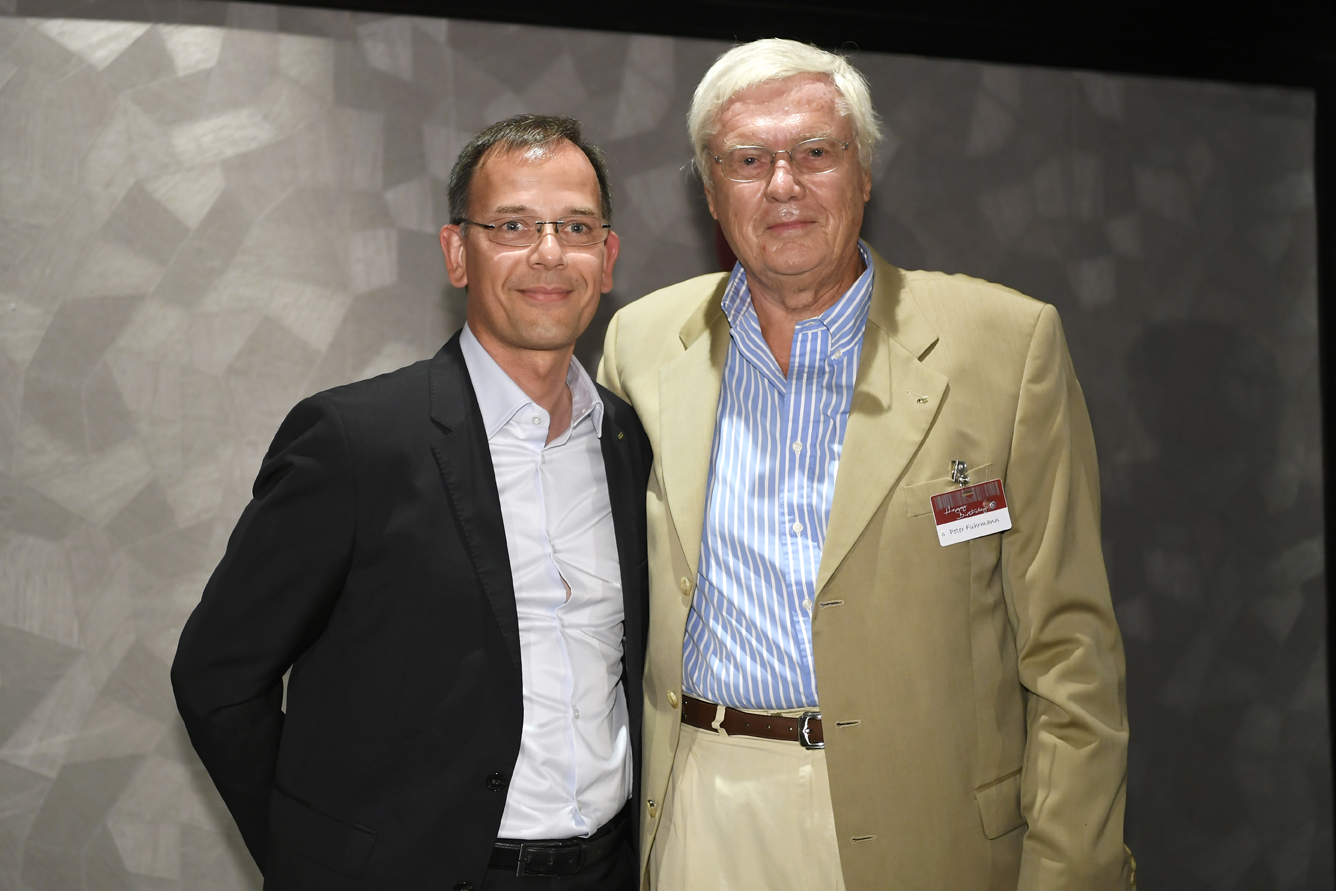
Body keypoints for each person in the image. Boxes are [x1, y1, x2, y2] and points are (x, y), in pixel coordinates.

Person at [598, 39, 1133, 890]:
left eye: (816, 152)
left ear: (865, 172)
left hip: (925, 825)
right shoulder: (641, 343)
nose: (784, 184)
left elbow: (1072, 656)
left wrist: (1073, 872)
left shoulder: (1006, 346)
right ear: (710, 190)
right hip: (702, 807)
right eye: (748, 159)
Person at [172, 115, 650, 891]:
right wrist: (320, 861)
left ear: (608, 256)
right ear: (457, 253)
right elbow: (216, 677)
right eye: (513, 225)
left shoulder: (629, 442)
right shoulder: (355, 441)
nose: (549, 252)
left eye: (575, 226)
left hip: (606, 870)